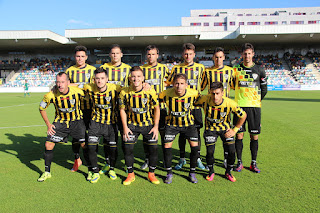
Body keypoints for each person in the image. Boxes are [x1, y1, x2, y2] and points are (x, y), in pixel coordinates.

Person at [37, 72, 88, 182]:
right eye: (58, 82)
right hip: (60, 122)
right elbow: (41, 108)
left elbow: (88, 90)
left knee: (84, 145)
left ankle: (91, 171)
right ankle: (47, 172)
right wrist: (48, 125)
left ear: (68, 83)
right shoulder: (50, 95)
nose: (60, 85)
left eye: (63, 82)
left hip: (77, 121)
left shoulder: (78, 91)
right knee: (48, 144)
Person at [195, 82, 246, 182]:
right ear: (209, 92)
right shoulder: (205, 99)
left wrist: (235, 130)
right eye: (213, 93)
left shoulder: (230, 103)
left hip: (225, 130)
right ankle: (211, 172)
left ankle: (228, 172)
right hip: (210, 130)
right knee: (210, 152)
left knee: (231, 152)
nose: (215, 96)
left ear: (222, 93)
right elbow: (193, 101)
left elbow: (243, 115)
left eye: (217, 93)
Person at [166, 43, 206, 170]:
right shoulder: (176, 69)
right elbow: (168, 84)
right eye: (186, 54)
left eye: (190, 54)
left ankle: (197, 158)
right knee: (181, 132)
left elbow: (203, 84)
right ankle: (182, 158)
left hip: (195, 106)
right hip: (179, 107)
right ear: (182, 54)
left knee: (196, 133)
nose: (188, 56)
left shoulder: (201, 68)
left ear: (194, 54)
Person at [119, 66, 160, 185]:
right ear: (130, 78)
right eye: (133, 76)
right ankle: (130, 174)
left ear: (143, 78)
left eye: (138, 76)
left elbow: (156, 108)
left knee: (153, 149)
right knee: (128, 149)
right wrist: (125, 127)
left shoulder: (149, 91)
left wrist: (156, 126)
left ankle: (151, 173)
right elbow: (122, 110)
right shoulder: (124, 92)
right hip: (132, 125)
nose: (135, 79)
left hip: (148, 125)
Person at [233, 43, 268, 173]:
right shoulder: (235, 69)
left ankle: (253, 162)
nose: (247, 56)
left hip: (254, 108)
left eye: (249, 53)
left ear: (253, 54)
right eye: (245, 53)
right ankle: (239, 162)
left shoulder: (259, 69)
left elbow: (264, 89)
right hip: (239, 107)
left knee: (254, 136)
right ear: (241, 55)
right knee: (239, 135)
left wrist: (256, 100)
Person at [159, 73, 200, 184]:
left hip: (188, 124)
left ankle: (192, 172)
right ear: (173, 84)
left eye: (182, 83)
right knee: (167, 145)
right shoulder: (165, 94)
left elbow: (204, 102)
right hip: (172, 124)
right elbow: (154, 99)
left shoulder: (194, 94)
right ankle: (169, 173)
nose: (179, 86)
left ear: (186, 85)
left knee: (195, 147)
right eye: (176, 83)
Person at [83, 67, 121, 183]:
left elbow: (130, 89)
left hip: (111, 123)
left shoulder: (115, 88)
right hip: (95, 123)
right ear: (94, 79)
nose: (100, 81)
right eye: (97, 78)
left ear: (107, 79)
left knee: (112, 149)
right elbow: (73, 87)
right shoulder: (88, 88)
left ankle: (111, 168)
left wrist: (145, 85)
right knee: (91, 147)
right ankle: (95, 171)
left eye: (102, 78)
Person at [99, 44, 131, 174]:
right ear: (109, 55)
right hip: (108, 110)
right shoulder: (104, 68)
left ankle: (125, 162)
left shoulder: (128, 69)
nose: (115, 55)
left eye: (117, 53)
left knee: (125, 137)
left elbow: (136, 82)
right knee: (108, 139)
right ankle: (108, 162)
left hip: (124, 108)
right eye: (112, 53)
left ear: (121, 54)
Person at [201, 47, 235, 168]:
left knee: (226, 134)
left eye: (220, 57)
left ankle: (226, 159)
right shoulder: (207, 71)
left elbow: (236, 86)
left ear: (224, 58)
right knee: (210, 137)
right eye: (216, 57)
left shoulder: (231, 71)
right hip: (210, 109)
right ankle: (210, 163)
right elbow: (200, 87)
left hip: (226, 109)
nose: (218, 59)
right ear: (212, 58)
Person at [65, 45, 96, 172]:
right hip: (75, 108)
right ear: (75, 57)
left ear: (86, 57)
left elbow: (96, 84)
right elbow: (65, 85)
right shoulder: (69, 71)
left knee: (91, 136)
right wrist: (82, 85)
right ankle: (77, 159)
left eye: (82, 56)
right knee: (76, 136)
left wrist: (76, 85)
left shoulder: (93, 70)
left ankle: (93, 160)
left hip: (91, 108)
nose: (80, 58)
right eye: (78, 56)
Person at [139, 45, 170, 170]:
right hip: (146, 108)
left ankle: (163, 158)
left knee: (163, 134)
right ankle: (148, 159)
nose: (151, 56)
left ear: (158, 55)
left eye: (153, 54)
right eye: (149, 54)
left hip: (161, 106)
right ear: (146, 56)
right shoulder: (141, 70)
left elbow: (172, 81)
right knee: (147, 134)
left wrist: (165, 86)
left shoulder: (164, 68)